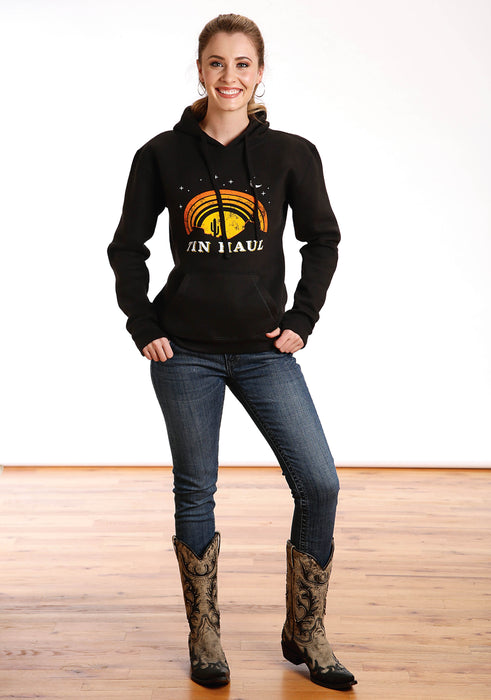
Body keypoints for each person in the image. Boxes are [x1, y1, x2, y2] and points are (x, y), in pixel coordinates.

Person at [108, 13, 356, 692]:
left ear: (260, 72)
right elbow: (126, 247)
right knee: (196, 491)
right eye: (216, 63)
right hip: (184, 353)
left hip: (262, 351)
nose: (229, 76)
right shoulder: (160, 155)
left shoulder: (292, 154)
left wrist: (302, 318)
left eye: (242, 63)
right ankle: (205, 635)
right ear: (199, 70)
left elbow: (322, 240)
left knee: (319, 484)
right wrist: (143, 323)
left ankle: (305, 630)